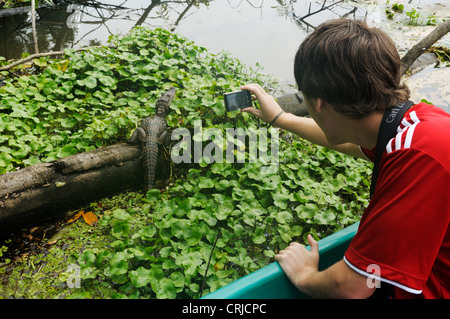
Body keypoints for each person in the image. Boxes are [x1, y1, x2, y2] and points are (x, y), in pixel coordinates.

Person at [241, 18, 450, 299]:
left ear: (318, 103)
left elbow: (351, 287)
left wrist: (305, 275)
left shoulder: (419, 157)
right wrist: (280, 118)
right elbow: (351, 142)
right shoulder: (417, 125)